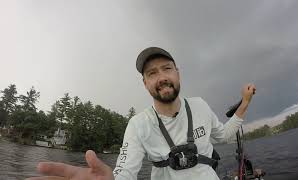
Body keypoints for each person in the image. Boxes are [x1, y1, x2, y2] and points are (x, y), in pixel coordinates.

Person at [27, 47, 256, 180]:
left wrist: (244, 102)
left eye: (167, 68)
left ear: (178, 74)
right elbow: (125, 172)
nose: (162, 76)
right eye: (152, 73)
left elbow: (223, 136)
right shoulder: (138, 125)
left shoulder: (200, 106)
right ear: (145, 83)